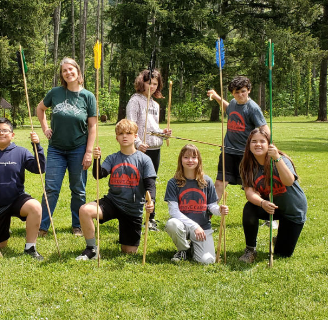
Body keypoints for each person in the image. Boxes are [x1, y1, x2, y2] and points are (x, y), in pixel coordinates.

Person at [76, 119, 155, 260]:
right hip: (112, 202)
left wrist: (151, 201)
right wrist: (96, 160)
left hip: (132, 208)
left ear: (135, 136)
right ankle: (91, 249)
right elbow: (98, 175)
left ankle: (126, 232)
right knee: (84, 210)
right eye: (121, 133)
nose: (125, 136)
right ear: (116, 137)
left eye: (128, 133)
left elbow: (150, 185)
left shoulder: (144, 160)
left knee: (128, 252)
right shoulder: (113, 158)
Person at [36, 57, 97, 237]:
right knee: (51, 188)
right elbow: (40, 109)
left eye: (71, 69)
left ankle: (77, 225)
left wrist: (88, 152)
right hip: (56, 149)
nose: (68, 73)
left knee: (78, 189)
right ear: (62, 75)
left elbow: (93, 126)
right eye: (64, 71)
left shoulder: (88, 96)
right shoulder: (55, 93)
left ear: (78, 72)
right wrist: (45, 128)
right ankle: (42, 226)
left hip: (79, 148)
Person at [0, 118, 46, 260]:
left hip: (16, 199)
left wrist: (37, 146)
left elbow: (40, 168)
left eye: (5, 130)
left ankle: (30, 248)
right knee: (0, 245)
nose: (1, 133)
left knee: (35, 207)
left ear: (12, 135)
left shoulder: (21, 152)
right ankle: (1, 231)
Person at [237, 129, 307, 263]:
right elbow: (249, 193)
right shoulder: (246, 166)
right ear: (249, 145)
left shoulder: (281, 159)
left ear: (269, 144)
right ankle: (250, 250)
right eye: (254, 141)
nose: (258, 144)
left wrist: (277, 158)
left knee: (283, 254)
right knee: (250, 208)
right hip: (272, 207)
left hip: (293, 210)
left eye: (262, 141)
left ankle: (280, 238)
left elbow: (288, 181)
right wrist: (262, 203)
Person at [164, 144, 229, 264]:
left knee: (207, 261)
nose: (190, 160)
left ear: (198, 160)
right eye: (186, 157)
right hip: (183, 226)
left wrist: (219, 210)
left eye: (194, 157)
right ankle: (183, 249)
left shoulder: (207, 181)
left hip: (203, 228)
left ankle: (194, 247)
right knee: (172, 224)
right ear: (181, 160)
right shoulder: (173, 183)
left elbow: (211, 206)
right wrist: (194, 226)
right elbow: (173, 211)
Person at [126, 68, 172, 231]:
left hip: (154, 149)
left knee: (150, 183)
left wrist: (163, 134)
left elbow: (153, 128)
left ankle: (150, 218)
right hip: (140, 150)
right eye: (148, 83)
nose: (152, 86)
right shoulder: (135, 100)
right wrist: (137, 143)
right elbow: (130, 125)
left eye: (155, 83)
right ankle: (135, 216)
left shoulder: (155, 104)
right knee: (138, 184)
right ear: (142, 83)